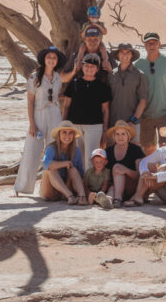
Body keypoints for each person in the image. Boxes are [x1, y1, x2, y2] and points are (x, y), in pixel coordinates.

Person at [15, 46, 69, 196]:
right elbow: (30, 102)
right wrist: (32, 124)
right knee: (32, 150)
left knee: (54, 149)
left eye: (54, 58)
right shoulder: (35, 77)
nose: (51, 60)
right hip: (38, 115)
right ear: (44, 60)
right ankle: (21, 187)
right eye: (49, 57)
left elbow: (55, 95)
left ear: (57, 61)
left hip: (55, 114)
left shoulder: (58, 77)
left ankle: (52, 187)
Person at [133, 32, 166, 155]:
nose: (151, 45)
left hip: (165, 113)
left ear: (159, 44)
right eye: (148, 42)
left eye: (154, 42)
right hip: (145, 115)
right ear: (144, 45)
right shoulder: (138, 64)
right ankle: (152, 173)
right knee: (148, 149)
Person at [62, 53, 112, 154]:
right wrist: (62, 125)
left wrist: (105, 129)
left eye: (92, 66)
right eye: (86, 66)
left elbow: (105, 110)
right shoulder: (74, 83)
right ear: (82, 67)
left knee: (91, 156)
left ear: (97, 69)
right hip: (74, 125)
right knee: (77, 157)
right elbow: (66, 106)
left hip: (94, 126)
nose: (89, 68)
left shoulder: (102, 87)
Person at [41, 121, 87, 203]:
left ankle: (82, 197)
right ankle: (69, 195)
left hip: (68, 186)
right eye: (64, 132)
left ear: (73, 135)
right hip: (50, 191)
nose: (67, 135)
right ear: (59, 134)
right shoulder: (51, 148)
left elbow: (80, 173)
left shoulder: (76, 151)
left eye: (70, 133)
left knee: (73, 169)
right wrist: (65, 163)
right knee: (50, 169)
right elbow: (45, 164)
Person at [108, 42, 148, 132]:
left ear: (131, 55)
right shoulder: (111, 74)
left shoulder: (140, 75)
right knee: (112, 146)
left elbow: (143, 101)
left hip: (132, 124)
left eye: (128, 52)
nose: (124, 55)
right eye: (122, 52)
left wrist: (133, 121)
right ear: (118, 54)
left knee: (134, 146)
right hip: (113, 123)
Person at [104, 120, 143, 203]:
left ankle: (118, 198)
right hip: (114, 185)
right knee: (111, 188)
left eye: (123, 134)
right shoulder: (107, 152)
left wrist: (126, 171)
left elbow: (140, 176)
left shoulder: (136, 150)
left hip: (132, 187)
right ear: (113, 137)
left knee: (117, 167)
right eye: (117, 134)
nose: (120, 137)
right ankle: (108, 200)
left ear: (128, 136)